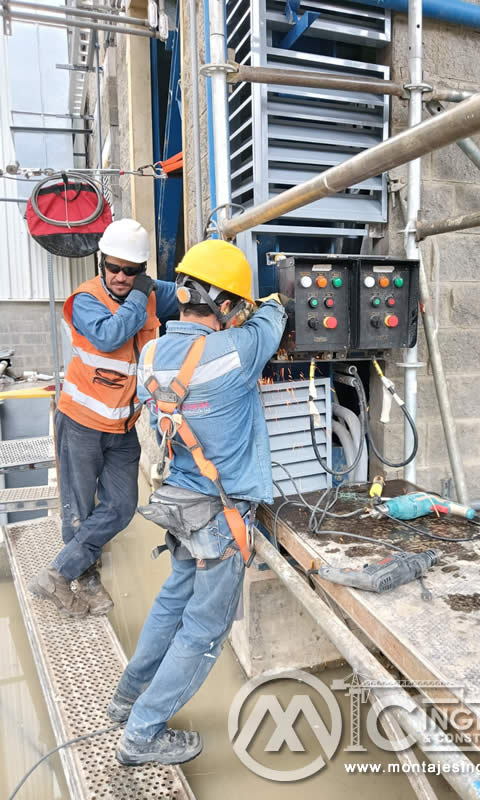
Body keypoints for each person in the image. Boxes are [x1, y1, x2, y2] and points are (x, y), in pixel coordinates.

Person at [106, 238, 287, 767]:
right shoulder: (239, 348)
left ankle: (125, 700)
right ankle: (142, 735)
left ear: (181, 293)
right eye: (236, 304)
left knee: (170, 604)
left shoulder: (149, 353)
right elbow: (273, 315)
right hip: (220, 514)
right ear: (228, 306)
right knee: (204, 631)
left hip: (179, 502)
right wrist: (259, 303)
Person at [29, 218, 179, 617]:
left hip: (124, 428)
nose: (120, 276)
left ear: (142, 271)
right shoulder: (85, 299)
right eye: (113, 267)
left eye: (131, 271)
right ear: (102, 263)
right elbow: (110, 336)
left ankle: (57, 573)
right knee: (78, 507)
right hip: (80, 423)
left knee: (121, 506)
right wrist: (143, 293)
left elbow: (187, 294)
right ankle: (84, 580)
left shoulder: (147, 293)